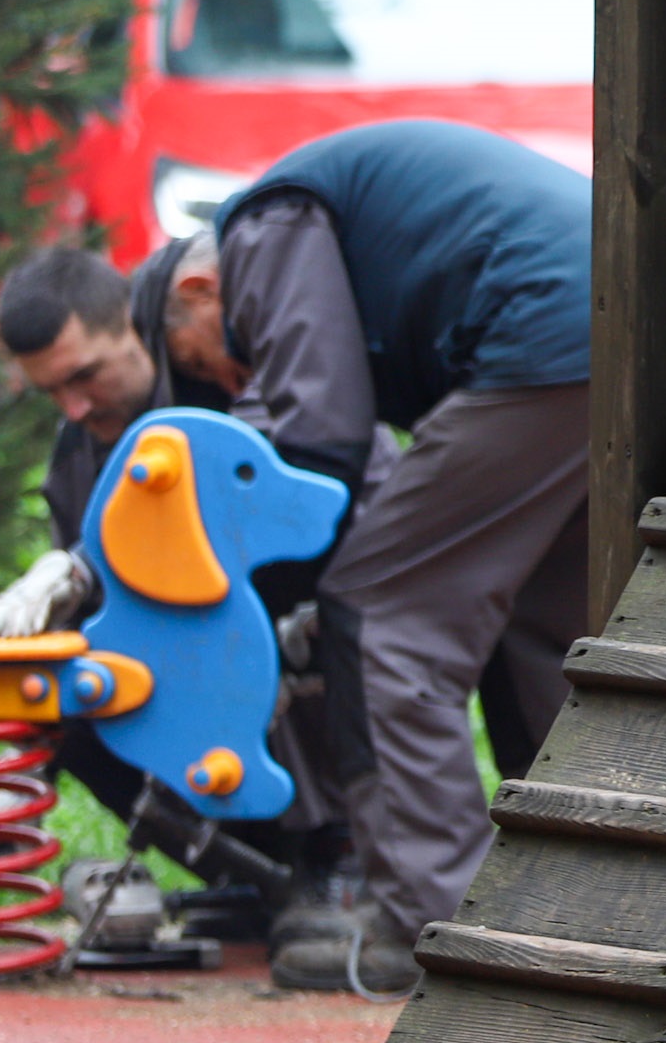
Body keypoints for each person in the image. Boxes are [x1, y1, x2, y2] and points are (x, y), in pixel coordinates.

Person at [145, 118, 593, 993]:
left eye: (206, 367)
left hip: (537, 331)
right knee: (543, 630)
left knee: (381, 612)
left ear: (203, 291)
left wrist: (245, 572)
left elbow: (321, 432)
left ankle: (435, 922)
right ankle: (581, 899)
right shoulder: (335, 220)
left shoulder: (261, 224)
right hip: (618, 321)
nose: (232, 387)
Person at [0, 243, 338, 924]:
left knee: (297, 650)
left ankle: (342, 863)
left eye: (84, 375)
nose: (76, 406)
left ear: (133, 329)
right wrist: (13, 771)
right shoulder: (75, 464)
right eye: (53, 390)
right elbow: (87, 627)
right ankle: (254, 875)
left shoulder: (225, 375)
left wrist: (89, 557)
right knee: (86, 712)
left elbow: (252, 500)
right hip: (198, 691)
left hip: (315, 633)